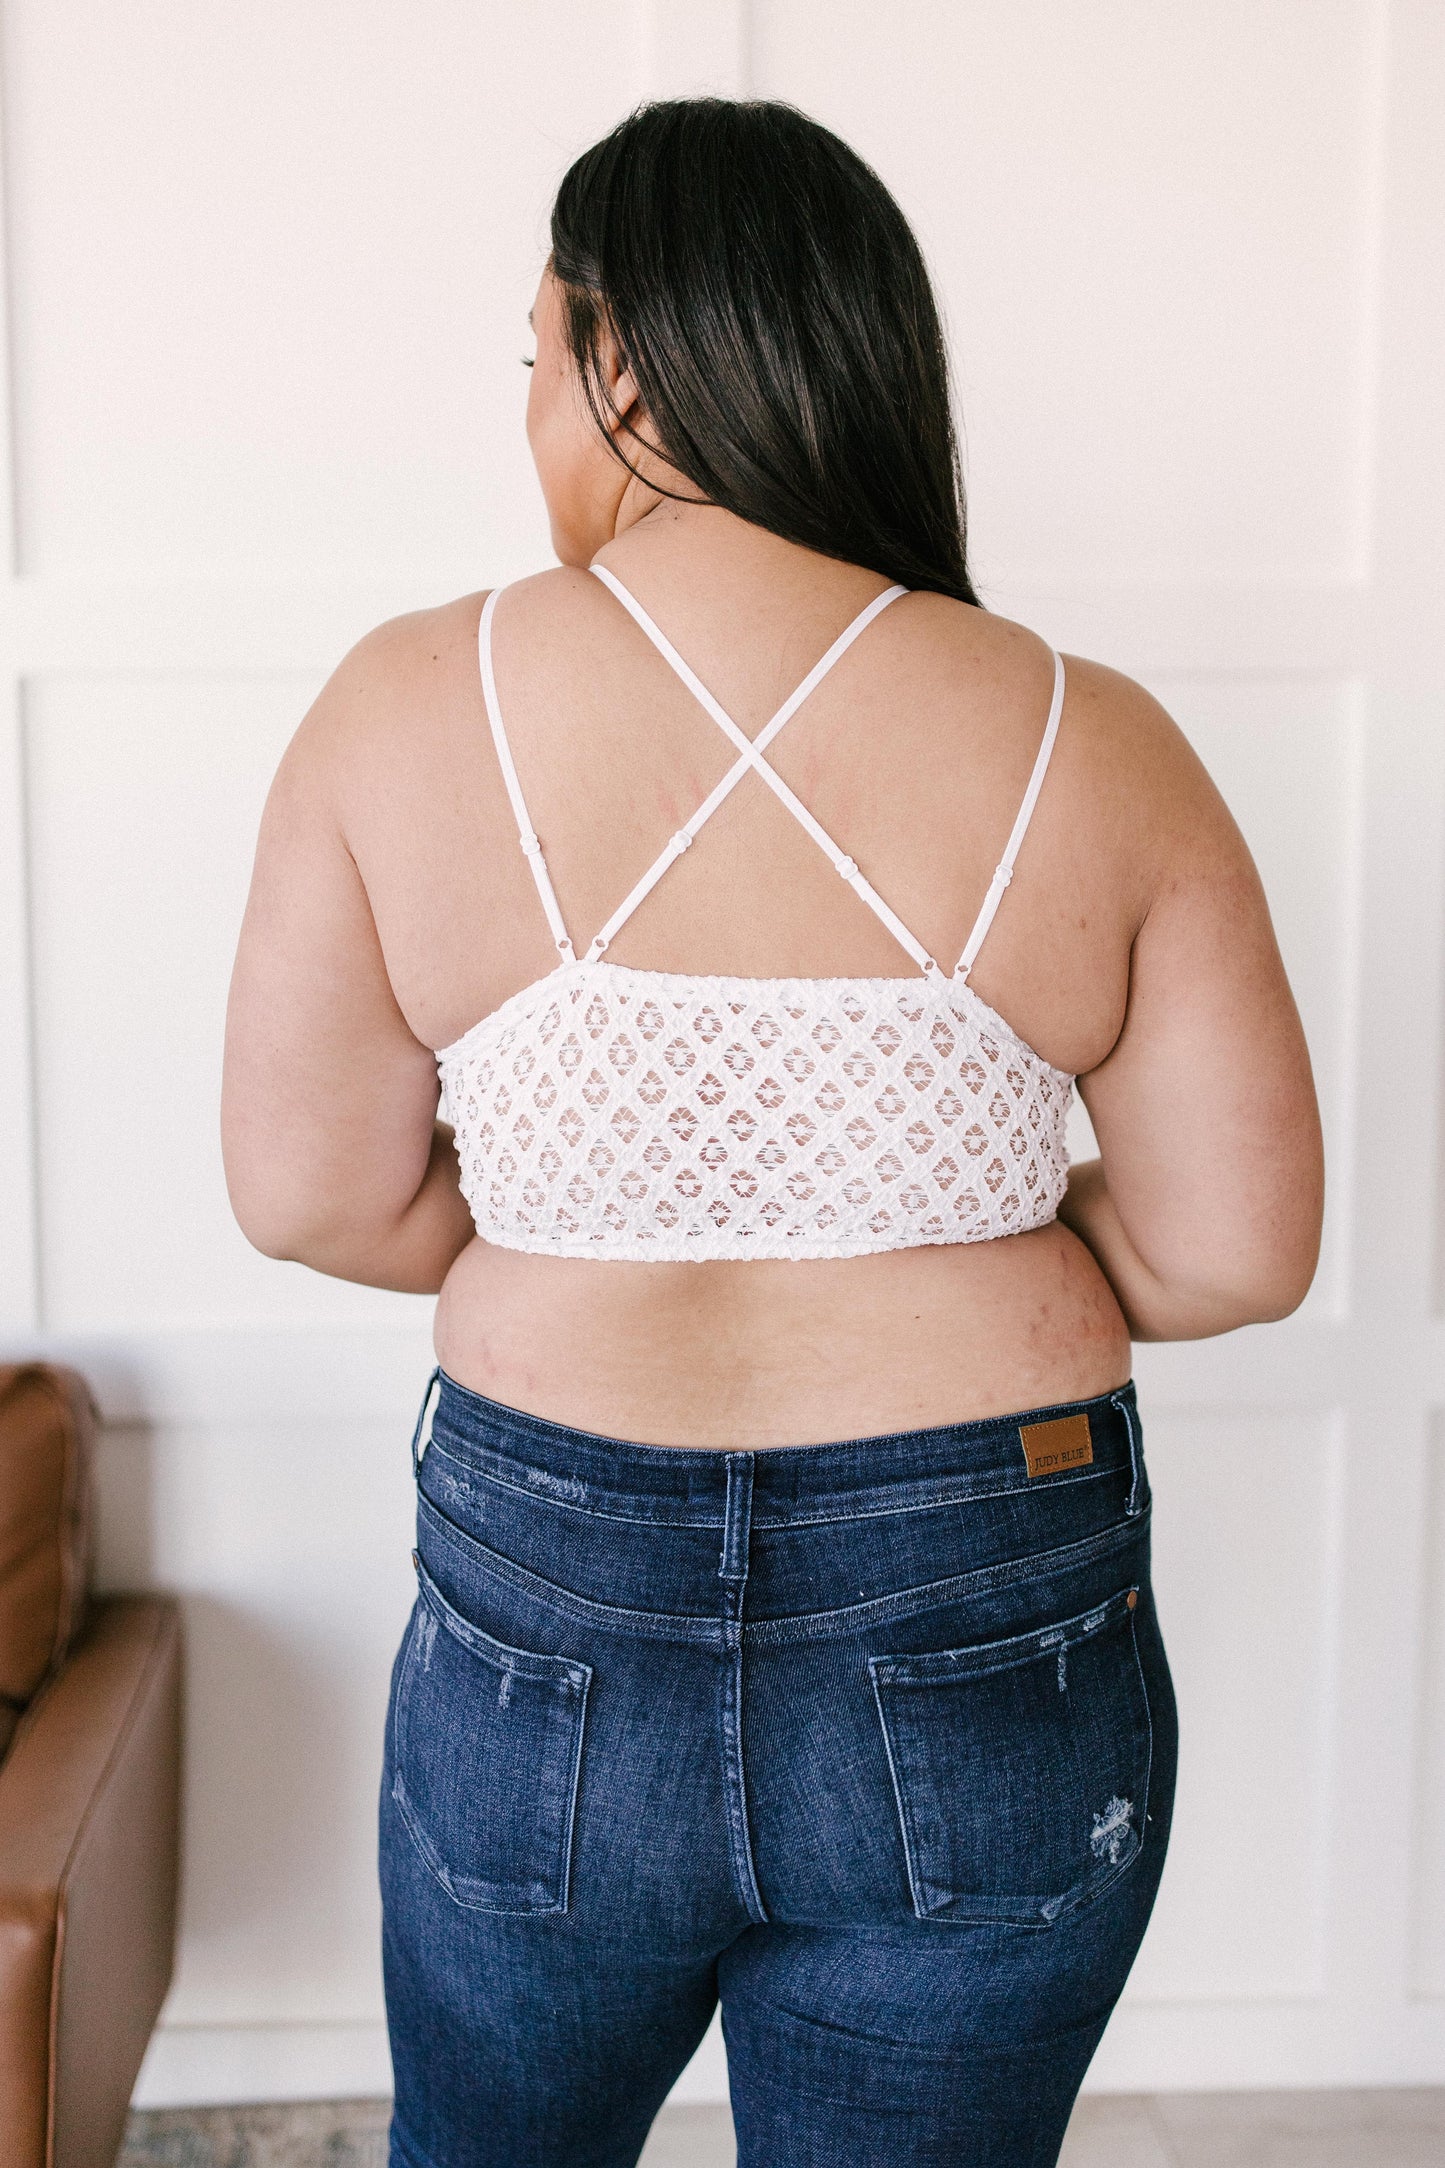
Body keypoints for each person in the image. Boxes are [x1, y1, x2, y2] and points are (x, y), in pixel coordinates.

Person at [221, 96, 1323, 2168]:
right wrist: (931, 1227)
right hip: (984, 1589)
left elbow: (307, 1193)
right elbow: (1231, 1251)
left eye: (537, 355)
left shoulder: (401, 706)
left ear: (626, 364)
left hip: (550, 1579)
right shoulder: (1093, 739)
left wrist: (583, 1224)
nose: (529, 411)